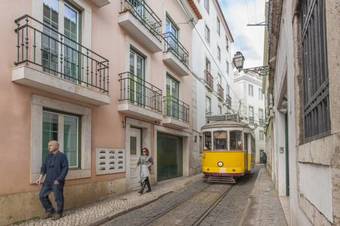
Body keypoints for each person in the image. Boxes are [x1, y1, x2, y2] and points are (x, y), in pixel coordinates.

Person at [35, 140, 69, 220]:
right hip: (48, 181)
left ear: (57, 146)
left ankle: (59, 213)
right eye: (48, 145)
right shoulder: (48, 156)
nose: (49, 147)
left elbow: (65, 168)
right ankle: (50, 210)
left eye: (51, 145)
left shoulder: (62, 156)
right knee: (42, 196)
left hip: (57, 181)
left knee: (58, 197)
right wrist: (40, 179)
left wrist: (59, 179)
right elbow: (44, 168)